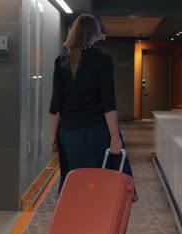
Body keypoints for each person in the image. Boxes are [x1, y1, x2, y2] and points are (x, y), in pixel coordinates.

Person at [49, 13, 137, 201]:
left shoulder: (61, 61)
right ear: (95, 33)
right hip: (97, 130)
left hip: (69, 132)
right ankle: (98, 218)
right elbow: (108, 103)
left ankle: (76, 219)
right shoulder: (103, 60)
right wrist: (115, 138)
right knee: (100, 179)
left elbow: (55, 104)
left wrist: (53, 136)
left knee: (73, 179)